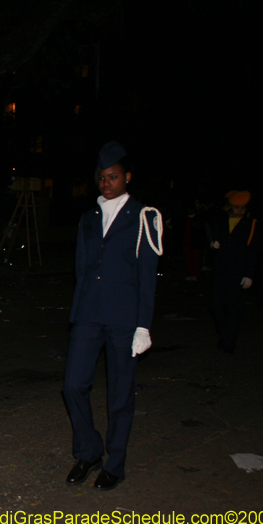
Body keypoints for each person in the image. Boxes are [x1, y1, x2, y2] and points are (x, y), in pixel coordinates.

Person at [62, 141, 163, 491]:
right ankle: (89, 452)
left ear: (127, 177)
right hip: (89, 314)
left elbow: (147, 275)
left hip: (124, 318)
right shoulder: (88, 218)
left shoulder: (143, 216)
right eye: (102, 178)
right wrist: (77, 311)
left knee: (120, 395)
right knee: (73, 384)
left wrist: (143, 324)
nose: (107, 183)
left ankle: (115, 463)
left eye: (114, 177)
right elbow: (81, 268)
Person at [208, 191, 259, 353]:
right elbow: (213, 238)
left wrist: (249, 274)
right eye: (236, 208)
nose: (239, 211)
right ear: (230, 207)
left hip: (239, 271)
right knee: (216, 305)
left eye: (242, 208)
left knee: (234, 307)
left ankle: (229, 340)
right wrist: (213, 243)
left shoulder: (251, 223)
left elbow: (253, 250)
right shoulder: (222, 220)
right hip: (220, 270)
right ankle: (225, 334)